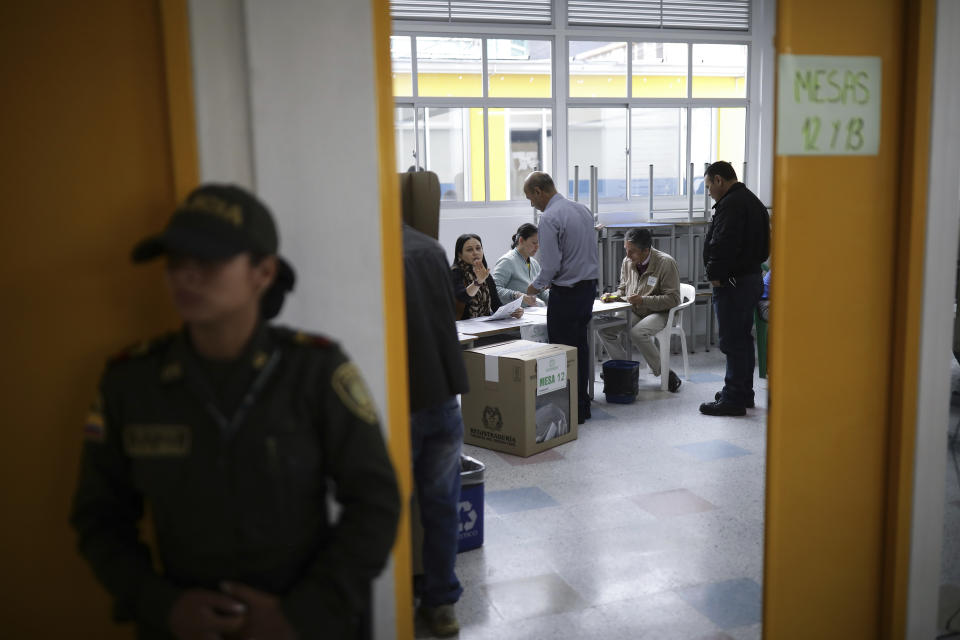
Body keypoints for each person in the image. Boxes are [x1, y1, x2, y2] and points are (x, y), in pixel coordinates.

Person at [70, 184, 401, 640]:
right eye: (175, 263)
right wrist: (161, 605)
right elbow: (99, 518)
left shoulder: (314, 372)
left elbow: (376, 502)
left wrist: (299, 615)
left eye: (205, 262)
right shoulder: (132, 382)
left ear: (262, 272)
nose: (184, 277)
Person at [402, 223, 469, 638]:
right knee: (442, 506)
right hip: (444, 394)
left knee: (385, 506)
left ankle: (389, 600)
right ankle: (442, 603)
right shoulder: (429, 249)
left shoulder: (363, 252)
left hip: (400, 399)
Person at [523, 172, 600, 424]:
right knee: (580, 347)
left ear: (538, 191)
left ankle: (567, 410)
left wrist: (534, 287)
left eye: (530, 198)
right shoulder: (583, 210)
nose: (531, 204)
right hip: (587, 289)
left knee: (562, 353)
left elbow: (551, 265)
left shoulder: (549, 218)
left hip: (565, 293)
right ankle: (582, 406)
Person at [699, 161, 771, 416]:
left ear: (719, 180)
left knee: (732, 340)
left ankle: (733, 399)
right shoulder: (753, 201)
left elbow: (722, 245)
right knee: (741, 338)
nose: (708, 192)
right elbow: (765, 248)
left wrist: (715, 275)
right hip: (750, 278)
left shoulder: (731, 205)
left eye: (708, 186)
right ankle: (742, 391)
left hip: (732, 283)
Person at [598, 227, 682, 392]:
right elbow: (623, 290)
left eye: (632, 252)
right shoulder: (627, 262)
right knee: (605, 330)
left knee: (637, 333)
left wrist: (643, 300)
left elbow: (673, 299)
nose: (628, 256)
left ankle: (665, 373)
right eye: (626, 250)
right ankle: (623, 369)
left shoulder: (666, 263)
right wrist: (613, 296)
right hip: (636, 309)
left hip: (661, 312)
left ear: (646, 250)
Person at [450, 233, 523, 321]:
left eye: (478, 248)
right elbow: (462, 297)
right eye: (469, 250)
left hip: (483, 326)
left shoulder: (485, 275)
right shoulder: (454, 273)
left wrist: (512, 312)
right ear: (460, 254)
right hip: (462, 329)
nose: (475, 252)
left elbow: (496, 306)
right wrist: (478, 282)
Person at [491, 223, 549, 307]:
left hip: (530, 312)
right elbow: (495, 289)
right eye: (534, 243)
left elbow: (540, 291)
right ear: (521, 240)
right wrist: (516, 295)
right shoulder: (507, 261)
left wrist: (558, 299)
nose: (537, 247)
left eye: (539, 243)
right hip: (512, 315)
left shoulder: (534, 263)